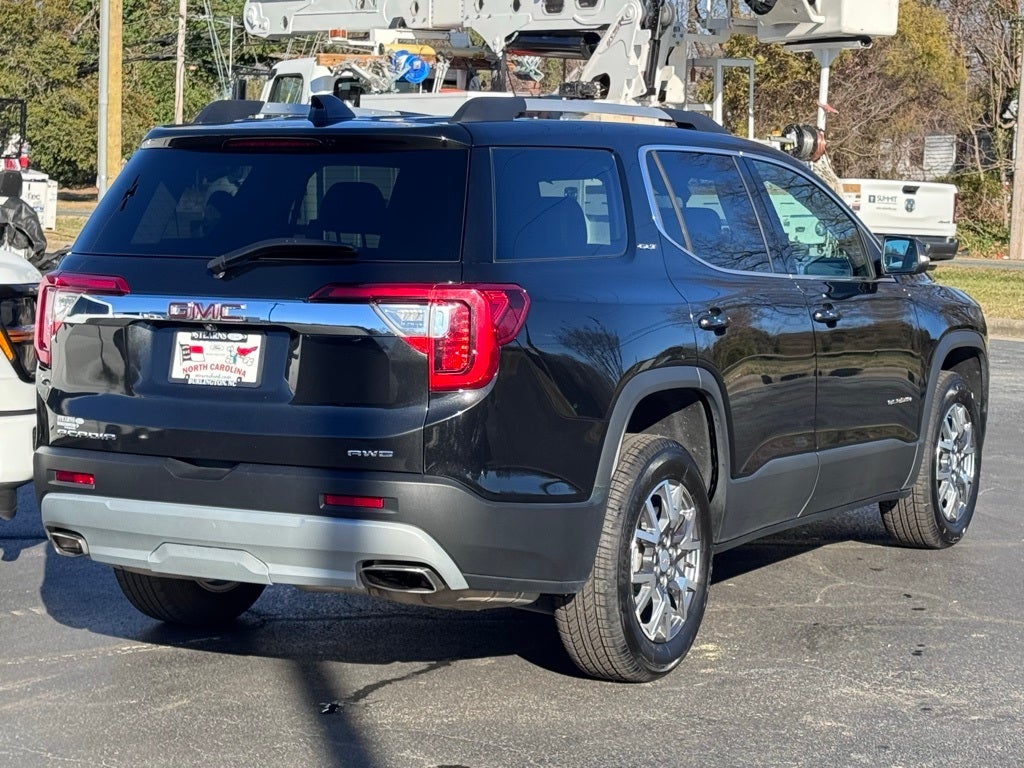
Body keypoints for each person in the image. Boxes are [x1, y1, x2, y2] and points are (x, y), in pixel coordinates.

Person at [0, 169, 47, 269]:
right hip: (19, 262)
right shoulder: (26, 211)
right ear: (19, 186)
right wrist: (30, 264)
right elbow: (40, 245)